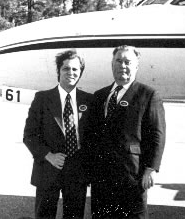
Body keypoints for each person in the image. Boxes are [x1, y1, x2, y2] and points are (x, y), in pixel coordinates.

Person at [85, 45, 166, 219]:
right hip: (101, 177)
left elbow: (157, 135)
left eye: (128, 62)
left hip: (131, 176)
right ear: (111, 64)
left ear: (136, 66)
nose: (122, 65)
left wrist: (150, 169)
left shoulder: (149, 95)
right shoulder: (100, 95)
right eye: (118, 61)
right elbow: (90, 135)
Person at [23, 50, 94, 219]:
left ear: (81, 72)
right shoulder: (42, 99)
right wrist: (48, 156)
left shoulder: (89, 101)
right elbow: (29, 135)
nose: (71, 73)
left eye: (75, 69)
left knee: (74, 216)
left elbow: (93, 138)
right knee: (44, 215)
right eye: (66, 69)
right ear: (58, 71)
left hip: (77, 173)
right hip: (48, 170)